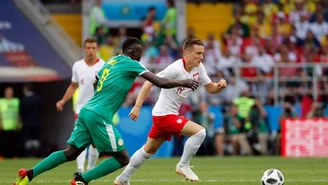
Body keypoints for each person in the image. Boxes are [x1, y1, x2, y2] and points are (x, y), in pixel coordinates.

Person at [13, 37, 199, 185]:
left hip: (87, 110)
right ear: (134, 52)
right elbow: (160, 82)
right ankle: (81, 180)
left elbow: (96, 82)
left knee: (70, 152)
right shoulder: (131, 63)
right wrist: (184, 81)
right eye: (140, 54)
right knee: (122, 158)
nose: (141, 57)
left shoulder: (110, 62)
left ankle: (29, 173)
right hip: (99, 114)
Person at [114, 38, 227, 185]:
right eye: (198, 53)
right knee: (200, 132)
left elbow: (210, 87)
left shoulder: (199, 68)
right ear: (187, 53)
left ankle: (122, 179)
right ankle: (183, 165)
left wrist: (219, 86)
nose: (201, 57)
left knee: (148, 149)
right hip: (163, 115)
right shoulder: (176, 68)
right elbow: (149, 82)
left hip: (166, 114)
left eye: (202, 53)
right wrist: (137, 106)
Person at [56, 37, 105, 176]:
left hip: (97, 108)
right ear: (84, 49)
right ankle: (80, 170)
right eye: (88, 48)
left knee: (95, 142)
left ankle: (90, 169)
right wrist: (63, 101)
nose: (90, 51)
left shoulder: (103, 66)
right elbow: (73, 86)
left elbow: (107, 87)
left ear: (97, 49)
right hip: (81, 108)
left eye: (93, 48)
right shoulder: (78, 66)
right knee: (80, 139)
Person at [20, 84, 42, 157]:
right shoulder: (38, 99)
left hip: (27, 123)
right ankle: (36, 153)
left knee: (28, 138)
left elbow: (22, 112)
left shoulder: (24, 100)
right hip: (36, 121)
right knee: (36, 138)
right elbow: (41, 110)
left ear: (26, 90)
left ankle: (29, 154)